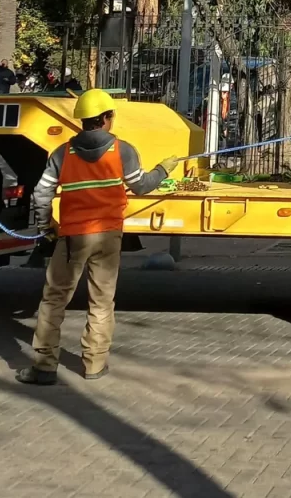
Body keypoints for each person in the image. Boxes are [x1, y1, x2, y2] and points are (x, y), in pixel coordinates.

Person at [16, 89, 178, 385]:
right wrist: (162, 170)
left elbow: (41, 194)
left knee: (53, 301)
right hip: (107, 237)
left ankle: (43, 367)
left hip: (71, 237)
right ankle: (94, 365)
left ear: (82, 120)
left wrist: (45, 226)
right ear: (106, 118)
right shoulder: (123, 150)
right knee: (101, 302)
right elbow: (141, 186)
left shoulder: (63, 153)